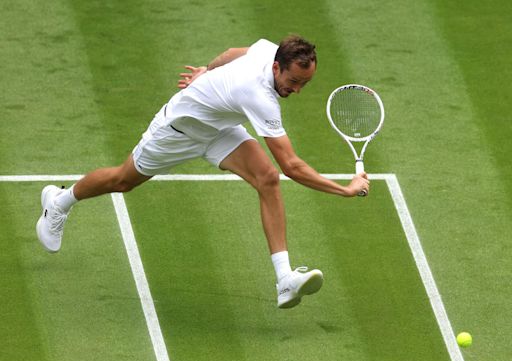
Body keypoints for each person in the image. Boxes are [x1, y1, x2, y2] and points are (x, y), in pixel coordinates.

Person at [36, 35, 370, 309]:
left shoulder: (268, 49)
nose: (296, 90)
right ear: (276, 66)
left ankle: (285, 280)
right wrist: (344, 189)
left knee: (266, 179)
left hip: (219, 129)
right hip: (178, 132)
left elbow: (230, 53)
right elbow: (292, 166)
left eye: (304, 84)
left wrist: (206, 71)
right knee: (123, 181)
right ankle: (59, 202)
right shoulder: (258, 95)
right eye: (293, 81)